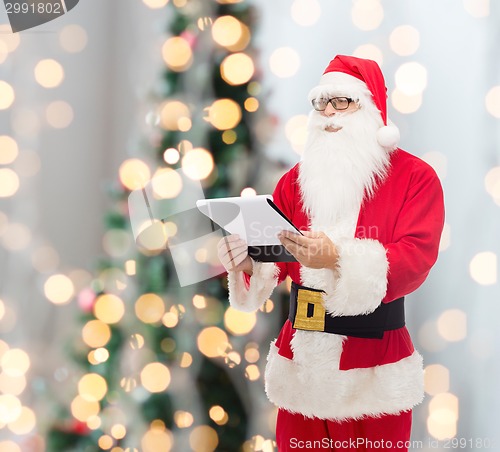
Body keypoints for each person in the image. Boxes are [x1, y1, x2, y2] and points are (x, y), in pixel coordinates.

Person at [217, 55, 445, 451]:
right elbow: (279, 257)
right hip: (301, 373)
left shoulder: (415, 178)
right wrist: (246, 263)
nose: (328, 113)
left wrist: (338, 259)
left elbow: (416, 258)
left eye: (342, 101)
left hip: (373, 375)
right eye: (321, 103)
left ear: (371, 108)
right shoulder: (295, 181)